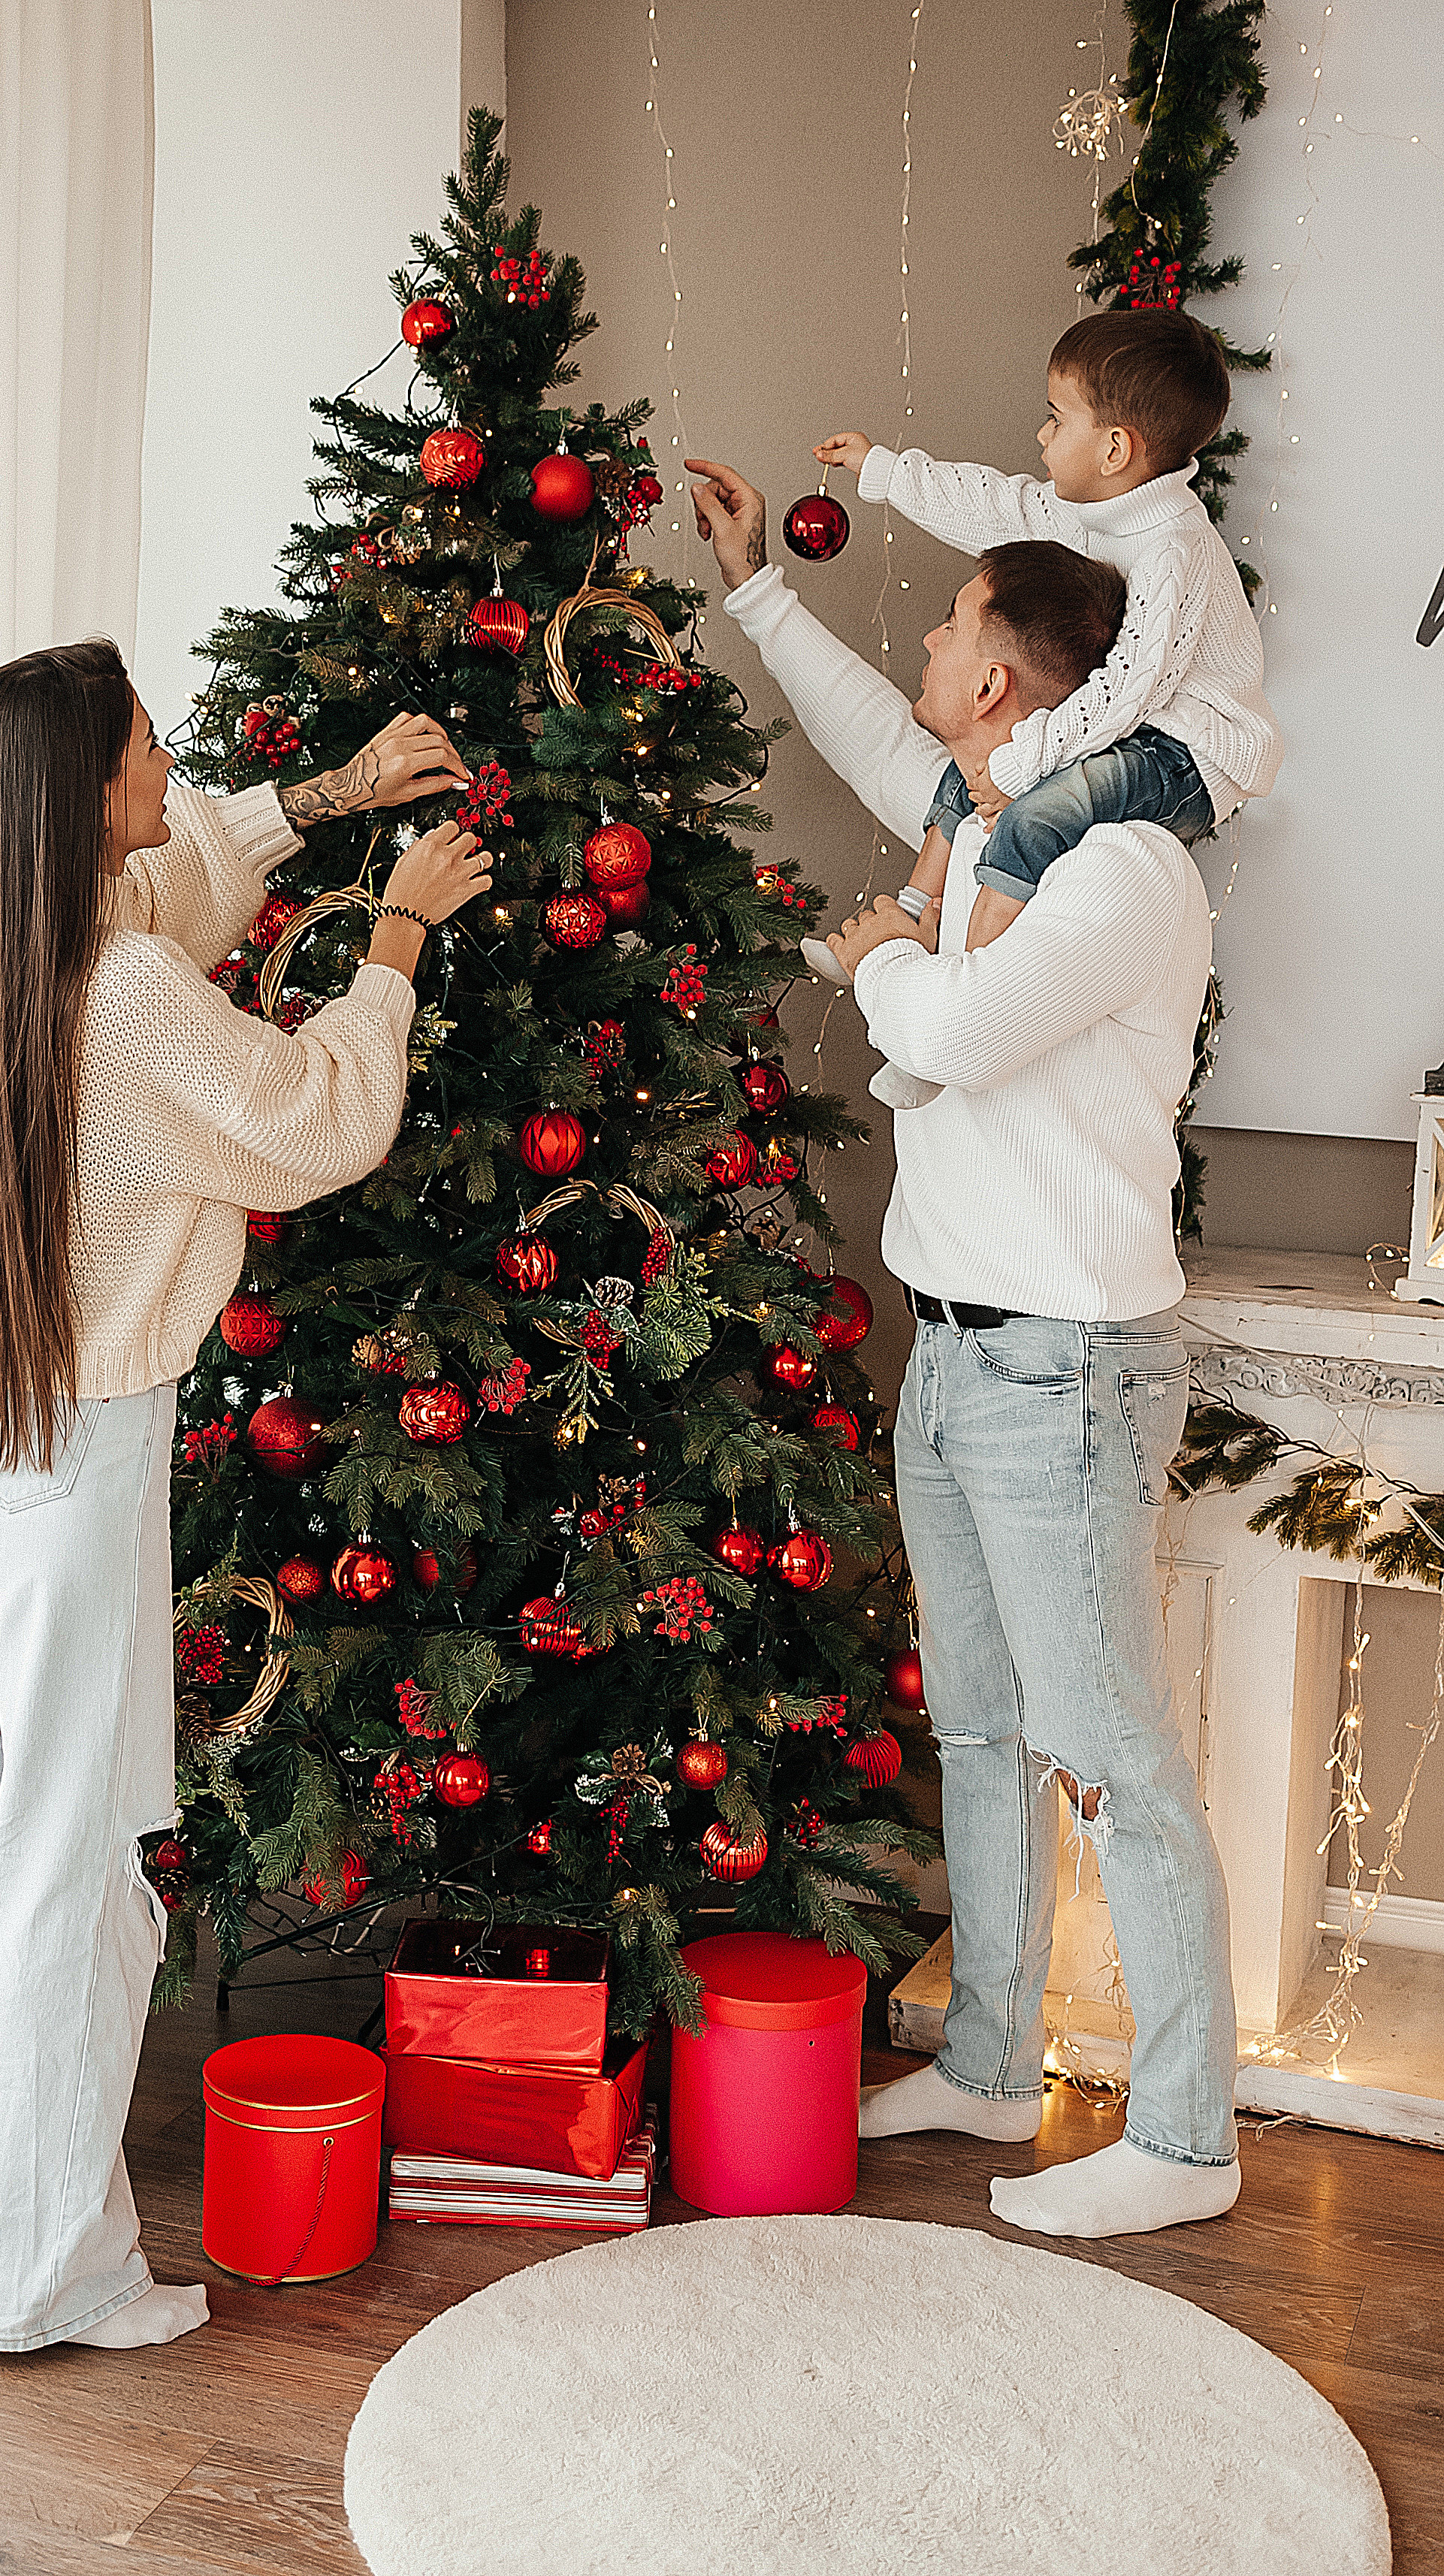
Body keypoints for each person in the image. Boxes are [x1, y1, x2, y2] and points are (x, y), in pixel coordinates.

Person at [0, 642, 485, 2350]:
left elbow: (176, 880)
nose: (169, 757)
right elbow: (310, 1115)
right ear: (83, 790)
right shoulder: (117, 996)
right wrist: (398, 935)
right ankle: (46, 2270)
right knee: (79, 1844)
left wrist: (330, 794)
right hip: (79, 1455)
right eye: (143, 743)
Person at [687, 459, 1241, 2242]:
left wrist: (870, 960)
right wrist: (759, 584)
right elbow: (875, 739)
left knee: (1111, 1751)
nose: (923, 637)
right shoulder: (996, 822)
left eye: (945, 620)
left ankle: (1183, 2127)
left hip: (1069, 1371)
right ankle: (998, 2053)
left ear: (1004, 672)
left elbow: (971, 1024)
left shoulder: (1127, 864)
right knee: (986, 1729)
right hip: (959, 1353)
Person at [813, 309, 1279, 1109]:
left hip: (1187, 748)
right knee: (963, 784)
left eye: (1057, 418)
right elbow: (994, 505)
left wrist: (1022, 762)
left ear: (1113, 448)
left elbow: (1132, 690)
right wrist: (883, 470)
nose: (1038, 435)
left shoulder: (1172, 549)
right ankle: (915, 915)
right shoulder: (1087, 509)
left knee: (1033, 814)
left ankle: (951, 1003)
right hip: (1121, 722)